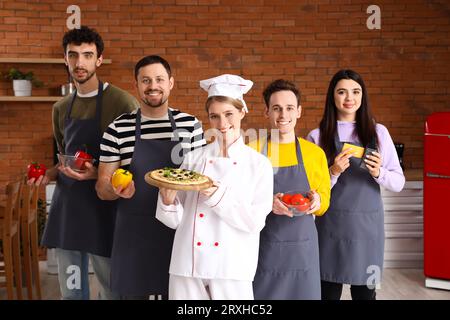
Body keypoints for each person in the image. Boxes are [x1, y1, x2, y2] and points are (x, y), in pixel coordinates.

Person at [32, 26, 139, 300]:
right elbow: (62, 159)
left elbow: (135, 163)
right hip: (69, 210)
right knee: (72, 293)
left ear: (99, 60)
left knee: (113, 290)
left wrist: (97, 176)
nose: (80, 63)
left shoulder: (122, 102)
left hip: (105, 208)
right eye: (73, 55)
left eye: (87, 55)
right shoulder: (61, 108)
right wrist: (48, 174)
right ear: (65, 60)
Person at [95, 55, 205, 300]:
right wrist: (116, 190)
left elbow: (202, 179)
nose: (152, 86)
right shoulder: (117, 129)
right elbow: (102, 186)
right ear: (136, 85)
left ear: (171, 83)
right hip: (133, 235)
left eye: (159, 79)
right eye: (145, 80)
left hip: (179, 233)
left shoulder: (191, 126)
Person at [155, 74, 273, 300]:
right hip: (187, 265)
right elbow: (174, 221)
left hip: (232, 268)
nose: (222, 124)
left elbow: (255, 222)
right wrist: (168, 201)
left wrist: (214, 193)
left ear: (242, 112)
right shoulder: (192, 159)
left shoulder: (259, 165)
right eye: (214, 116)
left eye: (229, 114)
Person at [306, 69, 405, 300]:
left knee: (365, 294)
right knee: (328, 292)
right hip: (330, 227)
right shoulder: (318, 136)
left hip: (367, 229)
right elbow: (311, 190)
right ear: (333, 97)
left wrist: (378, 172)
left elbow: (398, 182)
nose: (349, 98)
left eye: (355, 91)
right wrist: (333, 172)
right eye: (342, 92)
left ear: (363, 96)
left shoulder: (378, 132)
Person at [250, 79, 330, 300]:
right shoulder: (251, 150)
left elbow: (324, 202)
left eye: (289, 108)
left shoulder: (314, 154)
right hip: (264, 248)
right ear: (267, 111)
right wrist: (267, 202)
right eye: (276, 108)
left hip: (302, 251)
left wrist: (317, 202)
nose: (283, 114)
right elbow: (240, 199)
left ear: (299, 111)